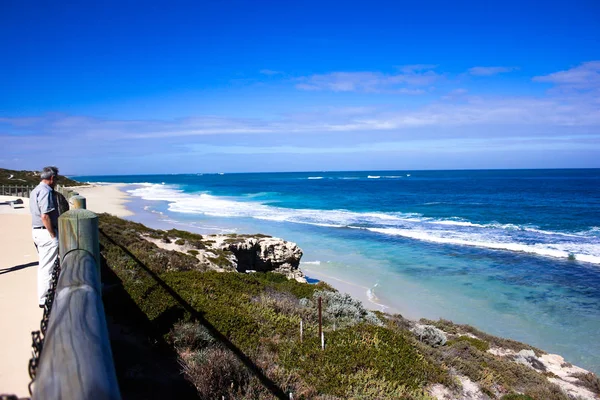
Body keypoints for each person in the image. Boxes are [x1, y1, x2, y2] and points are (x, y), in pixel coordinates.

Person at [30, 166, 60, 308]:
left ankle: (44, 296)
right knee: (47, 267)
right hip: (45, 232)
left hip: (37, 231)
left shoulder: (36, 190)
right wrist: (53, 235)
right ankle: (45, 299)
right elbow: (45, 215)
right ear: (52, 178)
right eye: (56, 178)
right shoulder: (45, 191)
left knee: (44, 265)